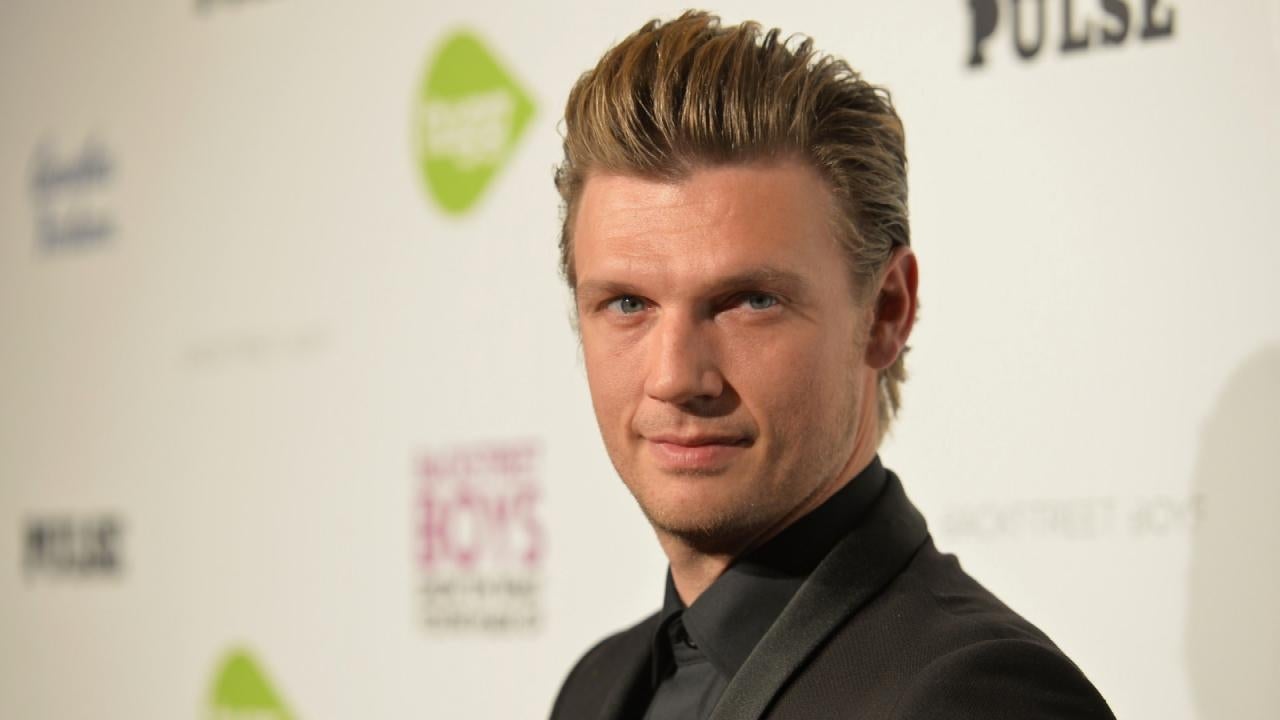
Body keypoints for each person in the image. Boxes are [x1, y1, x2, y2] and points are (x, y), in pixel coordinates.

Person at [549, 11, 1115, 720]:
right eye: (628, 303)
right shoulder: (595, 688)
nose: (674, 377)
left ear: (886, 312)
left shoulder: (981, 698)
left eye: (750, 301)